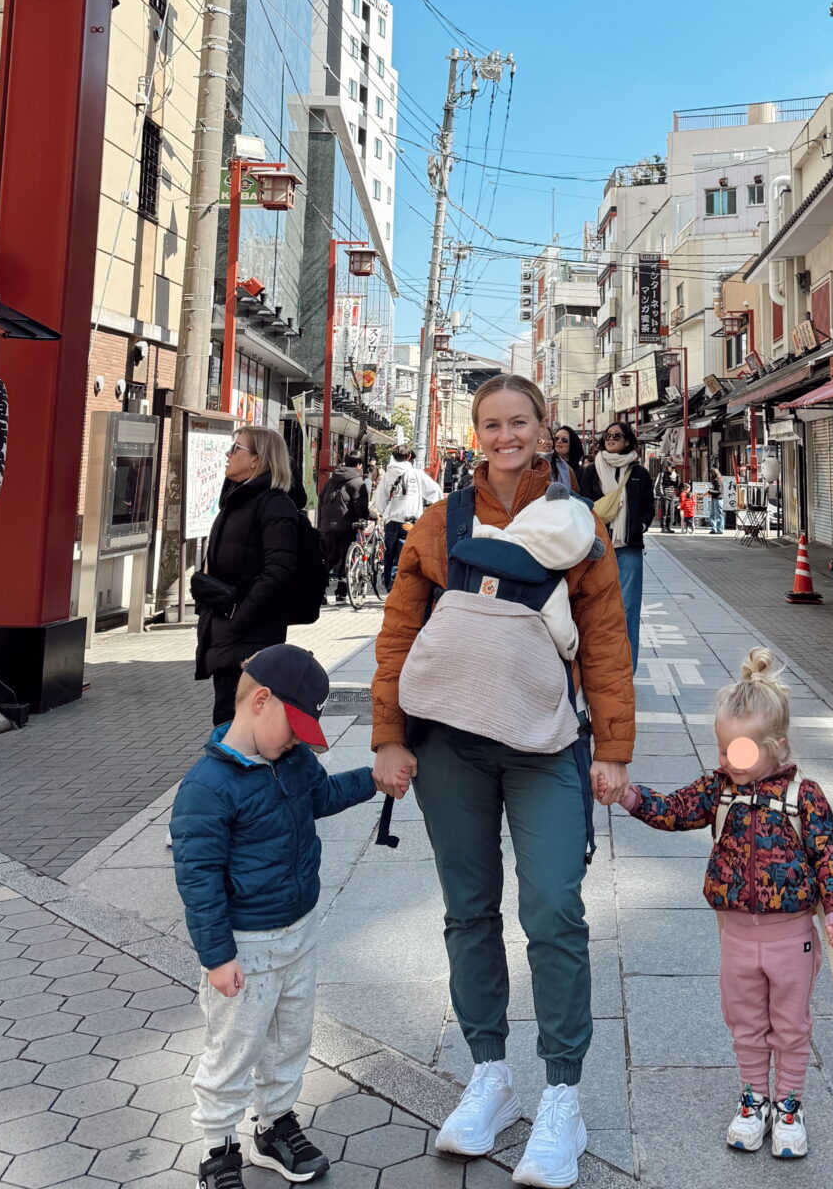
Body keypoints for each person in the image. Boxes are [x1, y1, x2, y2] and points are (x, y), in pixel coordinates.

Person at [371, 373, 635, 1189]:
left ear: (545, 427)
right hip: (449, 742)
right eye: (491, 424)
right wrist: (388, 736)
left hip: (545, 742)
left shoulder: (579, 524)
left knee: (554, 906)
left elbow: (604, 638)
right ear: (475, 433)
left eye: (519, 422)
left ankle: (562, 1095)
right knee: (469, 908)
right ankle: (489, 1072)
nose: (505, 436)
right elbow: (399, 630)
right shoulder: (441, 521)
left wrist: (613, 748)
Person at [615, 648, 833, 1161]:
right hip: (737, 936)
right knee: (744, 1021)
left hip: (793, 936)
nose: (725, 760)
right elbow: (675, 810)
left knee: (791, 1024)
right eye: (722, 749)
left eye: (738, 752)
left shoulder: (804, 797)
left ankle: (789, 1106)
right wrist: (632, 797)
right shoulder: (718, 790)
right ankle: (753, 1099)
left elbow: (830, 854)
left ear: (777, 747)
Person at [171, 644, 377, 1189]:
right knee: (234, 1048)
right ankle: (218, 1149)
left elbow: (322, 796)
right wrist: (218, 957)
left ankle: (275, 1125)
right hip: (245, 945)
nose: (296, 742)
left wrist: (374, 779)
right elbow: (199, 882)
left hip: (298, 932)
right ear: (260, 701)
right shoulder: (206, 788)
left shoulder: (293, 761)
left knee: (289, 1038)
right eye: (294, 729)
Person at [193, 428, 304, 729]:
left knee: (238, 729)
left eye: (236, 448)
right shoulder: (236, 501)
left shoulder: (274, 504)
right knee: (232, 725)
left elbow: (279, 570)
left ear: (257, 459)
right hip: (227, 634)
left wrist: (239, 618)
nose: (228, 454)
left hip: (250, 637)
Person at [578, 421, 655, 673]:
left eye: (617, 435)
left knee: (628, 608)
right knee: (596, 606)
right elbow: (583, 504)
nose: (610, 439)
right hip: (598, 547)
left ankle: (626, 670)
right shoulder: (592, 471)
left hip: (628, 546)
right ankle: (599, 667)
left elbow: (648, 506)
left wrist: (640, 524)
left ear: (628, 441)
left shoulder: (639, 473)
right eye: (607, 435)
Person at [372, 444, 442, 588]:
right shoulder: (416, 474)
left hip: (392, 521)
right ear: (409, 456)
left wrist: (387, 513)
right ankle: (404, 588)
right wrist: (431, 512)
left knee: (390, 555)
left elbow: (379, 499)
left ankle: (391, 587)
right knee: (408, 557)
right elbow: (435, 492)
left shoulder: (387, 476)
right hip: (410, 522)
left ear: (393, 457)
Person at [318, 454, 369, 605]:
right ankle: (341, 594)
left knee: (328, 559)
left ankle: (320, 592)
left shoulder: (331, 480)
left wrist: (321, 523)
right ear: (359, 465)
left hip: (327, 526)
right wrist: (371, 516)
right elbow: (360, 508)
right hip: (346, 527)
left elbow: (321, 500)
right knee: (346, 560)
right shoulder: (357, 482)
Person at [550, 424, 585, 493]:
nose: (559, 441)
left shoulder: (582, 472)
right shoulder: (546, 466)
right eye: (556, 439)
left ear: (572, 444)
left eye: (564, 440)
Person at [656, 462, 681, 532]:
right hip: (665, 494)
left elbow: (676, 485)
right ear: (668, 467)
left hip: (671, 494)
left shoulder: (674, 475)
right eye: (671, 467)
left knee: (669, 512)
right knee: (665, 512)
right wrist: (662, 494)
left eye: (674, 468)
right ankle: (663, 527)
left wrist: (678, 478)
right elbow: (659, 484)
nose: (673, 469)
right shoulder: (662, 474)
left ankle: (668, 527)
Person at [707, 465, 725, 536]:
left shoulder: (718, 481)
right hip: (714, 498)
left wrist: (709, 491)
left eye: (711, 473)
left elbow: (719, 491)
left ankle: (720, 529)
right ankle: (713, 529)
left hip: (718, 499)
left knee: (718, 514)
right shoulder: (715, 481)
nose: (710, 475)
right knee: (712, 514)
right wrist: (710, 490)